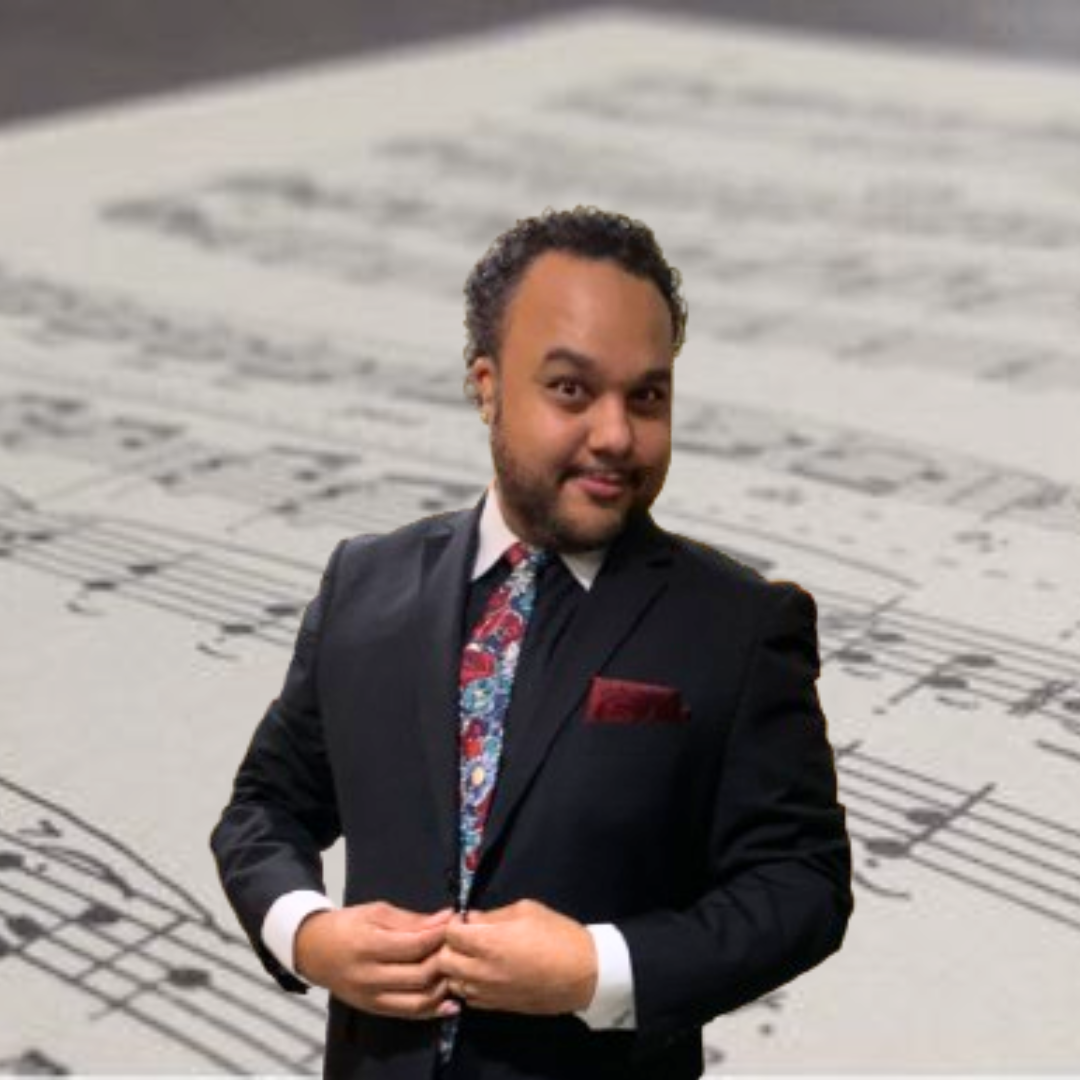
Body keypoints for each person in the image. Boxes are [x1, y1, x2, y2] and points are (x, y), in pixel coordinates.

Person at [211, 206, 853, 1080]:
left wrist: (600, 969)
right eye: (571, 390)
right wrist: (307, 933)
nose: (618, 434)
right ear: (485, 384)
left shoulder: (739, 626)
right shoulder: (365, 583)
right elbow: (264, 806)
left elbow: (801, 887)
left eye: (648, 395)